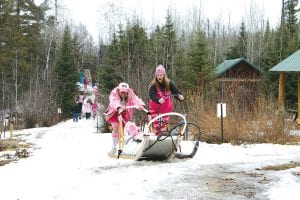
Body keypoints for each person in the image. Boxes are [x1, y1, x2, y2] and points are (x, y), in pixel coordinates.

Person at [104, 82, 145, 155]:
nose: (123, 94)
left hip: (124, 112)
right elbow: (113, 101)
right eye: (121, 92)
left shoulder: (130, 93)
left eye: (124, 93)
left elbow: (135, 99)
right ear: (119, 91)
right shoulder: (114, 92)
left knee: (123, 130)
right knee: (116, 126)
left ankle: (121, 148)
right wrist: (119, 107)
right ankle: (114, 147)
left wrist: (140, 104)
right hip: (114, 112)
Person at [148, 64, 184, 135]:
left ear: (164, 75)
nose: (159, 77)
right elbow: (152, 95)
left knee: (163, 126)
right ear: (156, 76)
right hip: (155, 108)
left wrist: (179, 96)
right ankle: (157, 138)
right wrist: (158, 100)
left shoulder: (169, 83)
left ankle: (163, 138)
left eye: (161, 75)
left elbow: (175, 92)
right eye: (158, 75)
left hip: (166, 109)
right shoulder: (153, 85)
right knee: (158, 126)